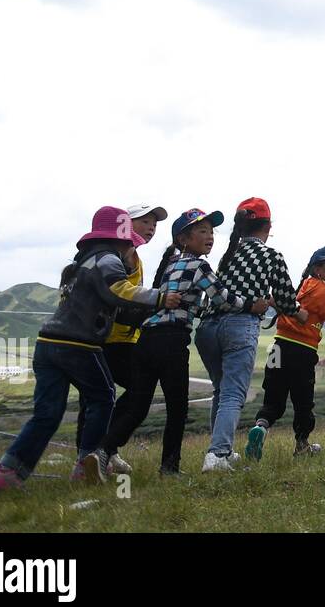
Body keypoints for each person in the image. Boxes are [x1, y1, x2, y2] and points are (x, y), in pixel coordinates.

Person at [0, 206, 181, 490]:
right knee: (103, 397)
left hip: (47, 344)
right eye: (130, 244)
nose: (131, 251)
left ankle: (6, 471)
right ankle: (87, 462)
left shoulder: (81, 264)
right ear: (122, 240)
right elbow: (119, 290)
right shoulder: (107, 259)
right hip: (78, 345)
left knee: (47, 414)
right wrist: (160, 299)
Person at [102, 208, 266, 475]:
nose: (210, 237)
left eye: (211, 232)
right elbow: (222, 298)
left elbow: (189, 302)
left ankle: (102, 452)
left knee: (138, 406)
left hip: (146, 340)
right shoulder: (199, 265)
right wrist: (253, 305)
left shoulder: (171, 265)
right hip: (171, 340)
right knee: (177, 409)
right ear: (183, 239)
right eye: (202, 231)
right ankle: (169, 469)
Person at [197, 197, 307, 473]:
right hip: (240, 325)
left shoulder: (228, 254)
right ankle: (217, 454)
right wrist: (300, 313)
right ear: (268, 226)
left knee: (222, 391)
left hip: (207, 328)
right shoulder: (271, 256)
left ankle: (222, 450)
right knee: (234, 393)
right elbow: (286, 298)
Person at [247, 245, 325, 458]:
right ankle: (302, 445)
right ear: (318, 268)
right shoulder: (322, 291)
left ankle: (260, 427)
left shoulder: (305, 286)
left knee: (273, 398)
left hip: (278, 347)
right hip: (302, 352)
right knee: (303, 402)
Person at [74, 203, 167, 475]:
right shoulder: (112, 256)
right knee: (103, 396)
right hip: (104, 338)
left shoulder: (134, 258)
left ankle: (104, 450)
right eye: (145, 221)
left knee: (110, 395)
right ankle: (95, 454)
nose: (151, 228)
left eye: (155, 224)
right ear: (124, 224)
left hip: (126, 339)